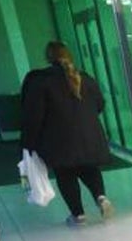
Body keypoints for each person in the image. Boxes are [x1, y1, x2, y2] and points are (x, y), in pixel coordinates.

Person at [20, 41, 114, 226]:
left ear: (48, 58)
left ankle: (78, 216)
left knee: (66, 175)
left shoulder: (41, 81)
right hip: (89, 137)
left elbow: (34, 116)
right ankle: (101, 197)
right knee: (90, 169)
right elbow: (100, 105)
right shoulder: (85, 78)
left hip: (59, 141)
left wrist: (29, 142)